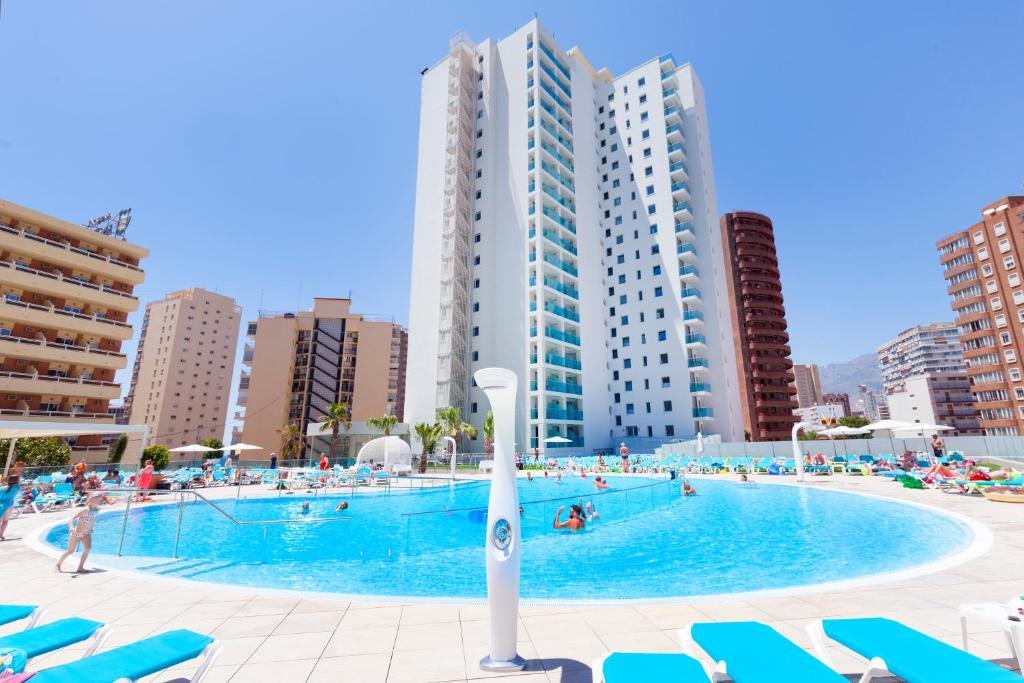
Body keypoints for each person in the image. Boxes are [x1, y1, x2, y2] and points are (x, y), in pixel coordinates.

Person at [55, 495, 101, 573]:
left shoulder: (97, 510)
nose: (98, 501)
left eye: (98, 500)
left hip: (86, 533)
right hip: (76, 532)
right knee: (70, 551)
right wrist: (71, 528)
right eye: (96, 500)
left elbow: (92, 519)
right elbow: (71, 519)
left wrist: (91, 527)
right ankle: (58, 564)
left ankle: (80, 567)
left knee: (87, 549)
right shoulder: (85, 510)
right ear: (90, 501)